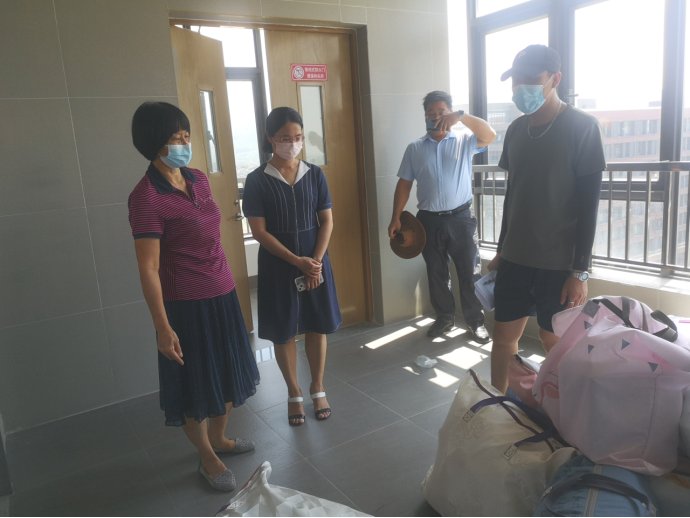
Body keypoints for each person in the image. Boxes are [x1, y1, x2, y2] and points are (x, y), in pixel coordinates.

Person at [128, 102, 260, 492]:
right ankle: (206, 454)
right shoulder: (145, 197)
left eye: (187, 135)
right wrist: (162, 327)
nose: (185, 143)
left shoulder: (198, 178)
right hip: (185, 305)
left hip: (223, 293)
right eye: (176, 138)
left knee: (229, 370)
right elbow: (148, 268)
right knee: (194, 385)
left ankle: (219, 437)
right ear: (154, 142)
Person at [488, 45, 606, 393]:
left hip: (558, 264)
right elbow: (513, 195)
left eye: (531, 79)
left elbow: (589, 205)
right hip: (514, 257)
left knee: (553, 341)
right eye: (516, 80)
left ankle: (563, 413)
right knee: (503, 338)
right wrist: (500, 250)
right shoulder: (515, 130)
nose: (520, 87)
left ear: (555, 79)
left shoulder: (583, 127)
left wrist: (580, 272)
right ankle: (498, 408)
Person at [242, 107, 341, 427]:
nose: (293, 143)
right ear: (270, 137)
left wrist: (315, 262)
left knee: (316, 324)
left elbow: (326, 221)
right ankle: (294, 391)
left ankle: (317, 386)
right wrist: (297, 261)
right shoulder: (257, 180)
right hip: (278, 264)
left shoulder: (314, 174)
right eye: (285, 138)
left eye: (298, 137)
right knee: (284, 330)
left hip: (315, 261)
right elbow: (259, 232)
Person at [389, 91, 496, 341]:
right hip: (427, 220)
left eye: (441, 112)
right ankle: (445, 318)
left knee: (469, 272)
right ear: (424, 116)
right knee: (436, 272)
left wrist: (462, 116)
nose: (435, 117)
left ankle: (475, 322)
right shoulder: (415, 148)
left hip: (461, 218)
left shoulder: (464, 140)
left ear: (450, 113)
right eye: (430, 112)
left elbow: (490, 135)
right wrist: (396, 217)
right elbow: (404, 184)